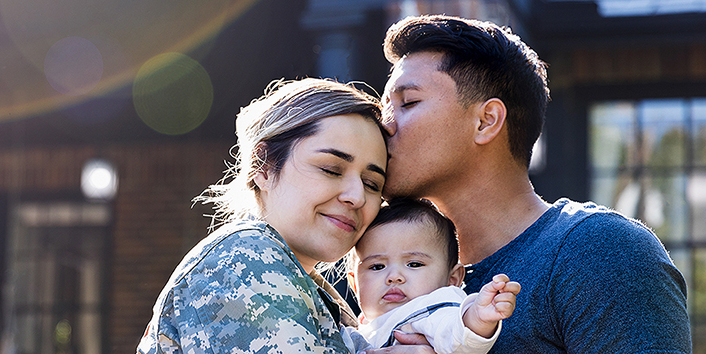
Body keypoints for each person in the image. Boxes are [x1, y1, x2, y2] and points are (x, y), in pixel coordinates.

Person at [371, 14, 691, 353]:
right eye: (384, 107)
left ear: (486, 121)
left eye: (407, 103)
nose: (384, 125)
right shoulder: (374, 272)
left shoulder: (601, 253)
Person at [136, 78, 389, 353]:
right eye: (331, 169)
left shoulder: (310, 286)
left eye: (372, 184)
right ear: (264, 166)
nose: (357, 196)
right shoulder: (243, 259)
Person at [344, 198, 520, 354]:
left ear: (452, 280)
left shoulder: (428, 309)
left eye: (414, 264)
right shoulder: (356, 329)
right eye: (377, 266)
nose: (394, 277)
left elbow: (452, 333)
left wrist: (477, 317)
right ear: (354, 283)